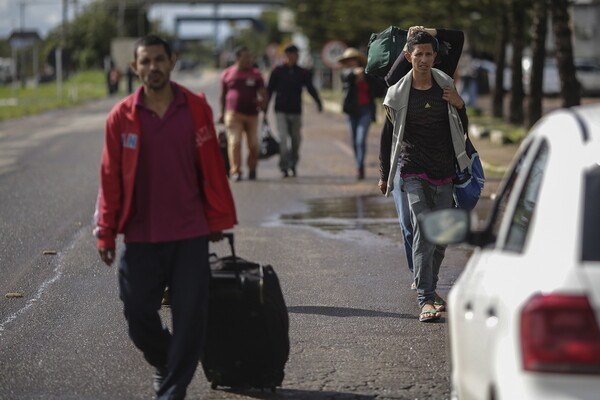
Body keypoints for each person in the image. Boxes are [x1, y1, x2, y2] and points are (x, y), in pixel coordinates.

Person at [94, 34, 237, 399]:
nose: (153, 67)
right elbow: (110, 178)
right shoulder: (121, 116)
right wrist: (105, 232)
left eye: (160, 59)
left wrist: (216, 218)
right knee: (138, 313)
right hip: (140, 235)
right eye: (146, 61)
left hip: (189, 232)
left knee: (190, 318)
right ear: (135, 67)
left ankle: (171, 392)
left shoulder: (195, 108)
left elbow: (211, 169)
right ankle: (165, 360)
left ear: (171, 62)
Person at [378, 30, 469, 322]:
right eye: (419, 55)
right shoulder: (397, 93)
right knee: (423, 228)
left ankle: (429, 285)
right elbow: (387, 135)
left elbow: (461, 127)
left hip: (444, 170)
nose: (424, 60)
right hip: (412, 168)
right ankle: (425, 298)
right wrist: (384, 174)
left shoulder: (445, 86)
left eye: (429, 54)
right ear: (409, 57)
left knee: (441, 235)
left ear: (434, 56)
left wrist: (459, 104)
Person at [266, 44, 322, 178]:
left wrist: (318, 101)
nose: (294, 57)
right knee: (283, 140)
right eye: (291, 54)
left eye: (296, 54)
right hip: (281, 111)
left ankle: (293, 164)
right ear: (286, 56)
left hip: (296, 111)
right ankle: (284, 166)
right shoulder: (277, 71)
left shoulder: (302, 72)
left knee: (296, 140)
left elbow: (310, 88)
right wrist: (265, 107)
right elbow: (269, 90)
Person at [218, 46, 267, 182]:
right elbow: (222, 95)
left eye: (249, 57)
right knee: (235, 142)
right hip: (233, 114)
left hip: (252, 114)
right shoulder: (227, 74)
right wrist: (222, 113)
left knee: (253, 143)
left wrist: (264, 102)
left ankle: (252, 167)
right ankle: (236, 171)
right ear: (237, 58)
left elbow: (263, 92)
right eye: (245, 57)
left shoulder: (256, 74)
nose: (248, 60)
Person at [338, 47, 385, 180]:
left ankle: (360, 167)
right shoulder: (346, 74)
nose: (350, 62)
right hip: (351, 111)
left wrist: (365, 76)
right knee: (354, 140)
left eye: (352, 59)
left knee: (360, 139)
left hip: (365, 110)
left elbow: (379, 87)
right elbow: (346, 76)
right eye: (348, 60)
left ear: (357, 60)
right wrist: (354, 74)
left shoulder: (368, 74)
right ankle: (358, 163)